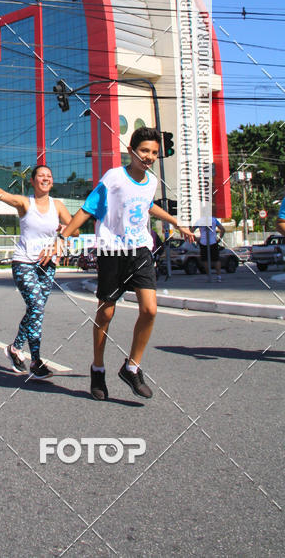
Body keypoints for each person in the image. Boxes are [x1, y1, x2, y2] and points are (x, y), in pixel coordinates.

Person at [58, 127, 195, 401]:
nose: (149, 157)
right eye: (144, 151)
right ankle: (98, 369)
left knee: (150, 309)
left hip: (140, 250)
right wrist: (62, 237)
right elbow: (88, 208)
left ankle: (131, 368)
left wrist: (175, 221)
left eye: (154, 152)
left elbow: (146, 205)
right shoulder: (114, 178)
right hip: (112, 252)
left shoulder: (152, 181)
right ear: (131, 151)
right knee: (105, 314)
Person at [0, 164, 72, 380]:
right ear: (33, 181)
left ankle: (15, 348)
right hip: (24, 262)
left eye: (49, 175)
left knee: (36, 310)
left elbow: (75, 228)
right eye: (41, 176)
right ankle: (36, 361)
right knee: (36, 307)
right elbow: (3, 195)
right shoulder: (26, 203)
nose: (46, 178)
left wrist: (63, 231)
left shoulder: (58, 205)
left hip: (47, 264)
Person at [192, 216, 225, 281]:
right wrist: (219, 239)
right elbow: (223, 229)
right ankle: (218, 276)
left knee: (205, 260)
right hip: (213, 241)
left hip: (203, 242)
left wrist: (196, 239)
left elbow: (191, 231)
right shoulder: (214, 220)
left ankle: (209, 276)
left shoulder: (200, 220)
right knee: (216, 259)